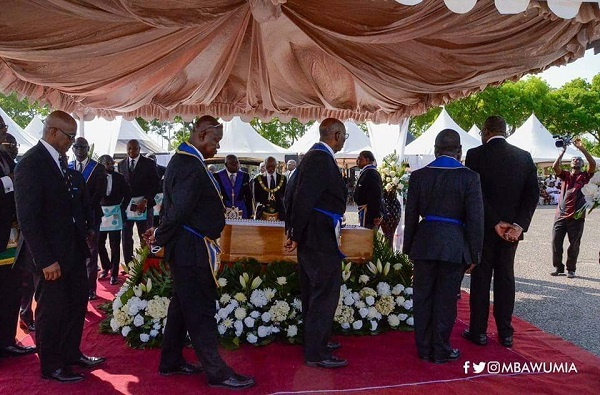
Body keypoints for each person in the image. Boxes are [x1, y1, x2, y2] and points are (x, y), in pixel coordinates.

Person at [144, 116, 255, 389]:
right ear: (203, 134)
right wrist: (159, 236)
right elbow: (178, 210)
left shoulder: (186, 161)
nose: (217, 147)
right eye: (215, 140)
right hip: (191, 251)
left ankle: (170, 361)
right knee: (201, 310)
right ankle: (217, 372)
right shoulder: (189, 164)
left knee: (182, 306)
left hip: (187, 248)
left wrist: (162, 233)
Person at [14, 111, 105, 382]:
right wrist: (44, 260)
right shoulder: (31, 164)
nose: (72, 142)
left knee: (76, 304)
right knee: (52, 310)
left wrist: (85, 232)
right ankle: (51, 365)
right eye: (69, 136)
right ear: (53, 132)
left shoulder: (61, 162)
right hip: (50, 257)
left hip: (72, 250)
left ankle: (70, 354)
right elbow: (28, 218)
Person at [403, 129, 484, 363]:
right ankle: (441, 349)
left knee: (423, 297)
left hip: (425, 243)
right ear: (459, 151)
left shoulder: (419, 176)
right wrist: (474, 253)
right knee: (446, 299)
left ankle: (424, 348)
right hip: (454, 245)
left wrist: (408, 248)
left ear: (436, 150)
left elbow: (410, 217)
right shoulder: (470, 177)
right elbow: (476, 219)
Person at [462, 116, 539, 349]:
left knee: (481, 279)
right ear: (505, 131)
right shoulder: (524, 157)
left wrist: (495, 221)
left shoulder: (475, 155)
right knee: (506, 278)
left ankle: (479, 332)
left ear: (485, 131)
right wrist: (518, 225)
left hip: (485, 229)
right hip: (511, 234)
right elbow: (532, 196)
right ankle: (506, 333)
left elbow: (475, 195)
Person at [284, 118, 348, 369]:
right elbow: (301, 199)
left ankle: (316, 340)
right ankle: (316, 352)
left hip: (313, 234)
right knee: (324, 291)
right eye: (343, 135)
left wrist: (294, 230)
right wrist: (295, 233)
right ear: (336, 135)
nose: (344, 140)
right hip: (318, 236)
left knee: (314, 291)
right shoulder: (320, 158)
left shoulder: (313, 157)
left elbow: (291, 193)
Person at [0, 119, 37, 358]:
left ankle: (7, 340)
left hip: (10, 236)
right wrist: (9, 181)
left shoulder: (5, 156)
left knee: (11, 290)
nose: (5, 130)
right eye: (1, 127)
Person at [550, 140, 596, 278]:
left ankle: (571, 268)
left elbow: (592, 164)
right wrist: (562, 152)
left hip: (577, 215)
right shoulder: (566, 176)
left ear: (582, 165)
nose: (576, 160)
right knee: (555, 242)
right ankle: (558, 267)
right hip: (561, 215)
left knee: (574, 244)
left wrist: (582, 149)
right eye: (574, 159)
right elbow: (554, 167)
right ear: (570, 164)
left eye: (578, 160)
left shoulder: (585, 176)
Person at [69, 137, 107, 300]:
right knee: (74, 253)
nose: (79, 150)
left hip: (91, 216)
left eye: (82, 147)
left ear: (88, 149)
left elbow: (99, 193)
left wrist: (84, 209)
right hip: (72, 219)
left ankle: (90, 289)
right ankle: (76, 287)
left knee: (91, 253)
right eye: (76, 147)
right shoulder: (67, 166)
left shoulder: (97, 168)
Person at [118, 139, 160, 266]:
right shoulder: (121, 164)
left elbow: (155, 184)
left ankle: (146, 263)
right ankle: (129, 266)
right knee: (126, 237)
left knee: (146, 236)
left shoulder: (149, 163)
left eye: (134, 148)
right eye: (129, 148)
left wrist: (146, 200)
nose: (131, 151)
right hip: (127, 207)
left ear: (139, 149)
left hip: (145, 206)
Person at [97, 155, 131, 285]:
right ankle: (106, 267)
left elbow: (128, 193)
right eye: (107, 163)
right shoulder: (97, 177)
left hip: (115, 213)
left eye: (111, 163)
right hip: (101, 213)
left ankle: (114, 273)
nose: (110, 165)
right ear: (101, 164)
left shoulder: (120, 177)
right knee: (99, 243)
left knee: (115, 245)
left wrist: (122, 207)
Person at [215, 155, 253, 219]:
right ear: (226, 165)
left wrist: (250, 213)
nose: (235, 166)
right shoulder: (217, 176)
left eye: (237, 163)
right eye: (232, 164)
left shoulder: (244, 176)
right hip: (224, 210)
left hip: (241, 210)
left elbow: (248, 196)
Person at [353, 150, 383, 229]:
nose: (357, 161)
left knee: (368, 237)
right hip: (365, 211)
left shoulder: (371, 173)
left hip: (369, 214)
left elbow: (376, 195)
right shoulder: (366, 172)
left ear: (367, 160)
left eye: (360, 159)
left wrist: (376, 215)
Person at [253, 156, 287, 220]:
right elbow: (256, 197)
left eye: (272, 166)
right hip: (262, 212)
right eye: (268, 166)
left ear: (276, 165)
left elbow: (283, 194)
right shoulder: (258, 179)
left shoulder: (283, 179)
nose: (270, 168)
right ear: (265, 165)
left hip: (279, 212)